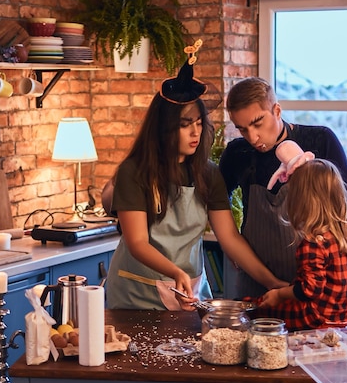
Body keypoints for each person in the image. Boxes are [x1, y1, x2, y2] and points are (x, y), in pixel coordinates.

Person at [105, 44, 287, 311]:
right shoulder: (134, 172)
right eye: (184, 125)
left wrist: (273, 283)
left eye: (199, 123)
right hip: (137, 293)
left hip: (189, 291)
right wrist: (175, 272)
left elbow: (230, 238)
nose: (195, 133)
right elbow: (137, 243)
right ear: (164, 128)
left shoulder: (208, 173)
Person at [220, 76, 347, 323]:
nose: (252, 137)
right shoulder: (237, 154)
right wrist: (234, 244)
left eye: (257, 123)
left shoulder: (320, 141)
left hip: (312, 289)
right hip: (257, 285)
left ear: (277, 110)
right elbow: (219, 205)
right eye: (241, 128)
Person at [251, 157, 347, 330]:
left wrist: (280, 294)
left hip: (315, 318)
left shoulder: (313, 243)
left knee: (256, 308)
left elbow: (309, 290)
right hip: (340, 318)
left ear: (301, 201)